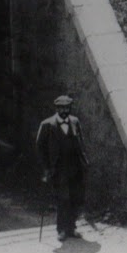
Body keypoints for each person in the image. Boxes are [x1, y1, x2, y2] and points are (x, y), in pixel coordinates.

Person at [35, 94, 89, 242]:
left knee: (75, 198)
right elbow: (40, 147)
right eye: (61, 107)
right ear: (57, 108)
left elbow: (81, 142)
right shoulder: (47, 124)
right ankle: (61, 230)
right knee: (63, 199)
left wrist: (84, 161)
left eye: (67, 107)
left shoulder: (75, 121)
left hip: (75, 167)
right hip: (58, 169)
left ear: (70, 108)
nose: (64, 110)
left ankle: (72, 228)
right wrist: (46, 168)